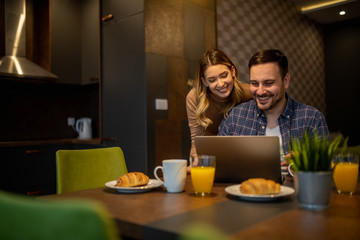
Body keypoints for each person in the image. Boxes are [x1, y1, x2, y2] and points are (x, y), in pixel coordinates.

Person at [218, 49, 329, 166]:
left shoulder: (312, 119)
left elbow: (325, 168)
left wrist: (304, 165)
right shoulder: (235, 116)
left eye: (268, 83)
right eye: (255, 83)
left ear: (285, 81)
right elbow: (216, 160)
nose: (260, 92)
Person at [186, 49, 253, 165]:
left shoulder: (248, 93)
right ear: (204, 81)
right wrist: (195, 159)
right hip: (208, 155)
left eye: (224, 75)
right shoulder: (194, 98)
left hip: (240, 154)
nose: (221, 84)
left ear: (232, 71)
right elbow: (196, 140)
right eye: (212, 80)